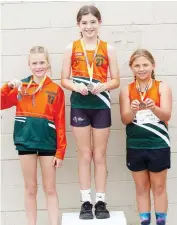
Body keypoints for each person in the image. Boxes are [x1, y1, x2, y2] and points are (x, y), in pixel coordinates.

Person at [61, 5, 120, 220]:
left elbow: (116, 80)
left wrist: (103, 86)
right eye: (84, 22)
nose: (89, 26)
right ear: (78, 25)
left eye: (92, 22)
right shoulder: (71, 48)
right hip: (80, 105)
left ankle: (101, 201)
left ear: (99, 23)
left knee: (100, 155)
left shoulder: (108, 49)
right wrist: (75, 87)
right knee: (84, 155)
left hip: (101, 106)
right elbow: (64, 79)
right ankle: (86, 201)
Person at [0, 46, 66, 225]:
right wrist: (8, 86)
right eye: (34, 63)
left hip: (47, 143)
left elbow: (60, 122)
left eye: (42, 62)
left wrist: (60, 151)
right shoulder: (21, 87)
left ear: (48, 63)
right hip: (26, 142)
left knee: (50, 189)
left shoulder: (56, 89)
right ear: (29, 64)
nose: (39, 66)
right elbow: (1, 102)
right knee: (30, 188)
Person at [119, 49, 172, 225]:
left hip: (158, 144)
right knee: (141, 188)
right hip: (135, 145)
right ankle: (144, 222)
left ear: (153, 66)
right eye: (137, 65)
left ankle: (161, 222)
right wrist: (132, 109)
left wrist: (154, 108)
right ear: (131, 68)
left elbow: (166, 115)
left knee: (159, 187)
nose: (141, 69)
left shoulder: (162, 87)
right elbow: (125, 119)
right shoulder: (126, 90)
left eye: (145, 65)